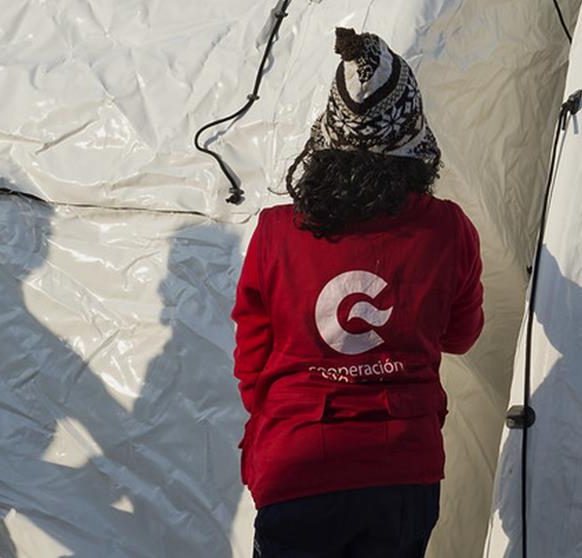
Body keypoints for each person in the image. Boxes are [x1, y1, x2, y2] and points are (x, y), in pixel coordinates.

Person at [230, 27, 484, 558]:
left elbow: (252, 356)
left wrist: (279, 421)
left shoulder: (277, 231)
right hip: (402, 470)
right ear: (413, 136)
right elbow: (461, 335)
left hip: (297, 464)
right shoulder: (447, 229)